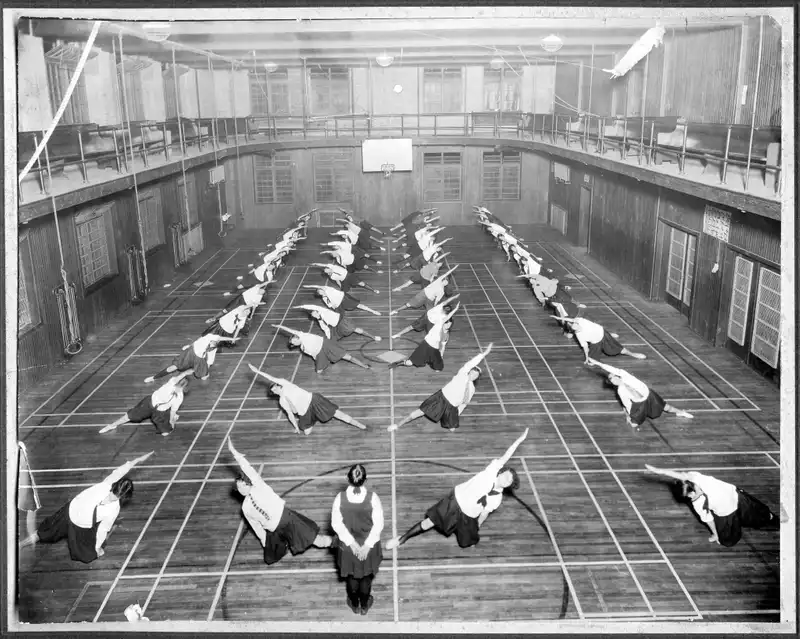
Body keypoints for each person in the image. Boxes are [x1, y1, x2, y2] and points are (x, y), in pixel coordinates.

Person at [385, 429, 528, 550]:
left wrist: (476, 526)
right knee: (429, 522)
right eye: (506, 474)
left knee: (466, 543)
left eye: (509, 479)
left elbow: (484, 514)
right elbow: (506, 456)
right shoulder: (492, 470)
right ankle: (401, 539)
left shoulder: (497, 499)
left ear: (510, 485)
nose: (506, 478)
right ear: (501, 472)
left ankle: (463, 531)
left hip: (468, 515)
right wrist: (519, 441)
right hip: (455, 501)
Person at [19, 452, 153, 562]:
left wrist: (137, 460)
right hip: (75, 519)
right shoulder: (113, 503)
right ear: (123, 494)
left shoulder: (108, 487)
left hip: (73, 515)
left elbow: (120, 471)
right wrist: (98, 548)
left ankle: (21, 545)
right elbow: (102, 530)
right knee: (89, 553)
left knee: (44, 533)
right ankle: (21, 544)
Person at [228, 439, 333, 564]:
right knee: (269, 558)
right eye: (238, 488)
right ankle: (285, 545)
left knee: (318, 541)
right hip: (274, 531)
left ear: (247, 482)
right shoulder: (245, 508)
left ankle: (341, 543)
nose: (239, 490)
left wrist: (235, 454)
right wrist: (264, 542)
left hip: (287, 519)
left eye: (241, 486)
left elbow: (248, 469)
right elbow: (256, 527)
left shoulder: (259, 486)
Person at [644, 464, 780, 547]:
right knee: (727, 541)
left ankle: (776, 520)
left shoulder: (699, 479)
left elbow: (682, 475)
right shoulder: (698, 503)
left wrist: (660, 471)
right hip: (726, 514)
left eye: (692, 493)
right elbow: (708, 519)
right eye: (690, 497)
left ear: (693, 486)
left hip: (738, 498)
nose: (692, 497)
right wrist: (716, 534)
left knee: (763, 516)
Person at [389, 345, 492, 433]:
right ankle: (397, 425)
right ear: (469, 372)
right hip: (441, 398)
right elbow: (470, 363)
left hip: (452, 407)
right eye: (473, 373)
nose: (473, 376)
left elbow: (464, 403)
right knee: (419, 412)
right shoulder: (462, 374)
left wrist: (457, 413)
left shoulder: (472, 389)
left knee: (452, 429)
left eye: (476, 375)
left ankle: (445, 417)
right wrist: (483, 354)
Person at [248, 364, 367, 434]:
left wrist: (257, 371)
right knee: (305, 431)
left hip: (314, 400)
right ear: (273, 393)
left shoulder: (286, 384)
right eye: (273, 390)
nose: (275, 388)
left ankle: (359, 424)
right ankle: (312, 420)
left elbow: (271, 377)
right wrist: (295, 427)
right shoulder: (282, 401)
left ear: (278, 385)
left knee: (336, 414)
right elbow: (292, 413)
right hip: (305, 412)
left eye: (275, 386)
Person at [331, 464, 384, 615]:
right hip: (369, 545)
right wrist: (366, 546)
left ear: (348, 479)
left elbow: (336, 524)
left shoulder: (339, 499)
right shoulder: (373, 498)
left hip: (348, 548)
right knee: (366, 578)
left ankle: (354, 604)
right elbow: (378, 524)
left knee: (352, 577)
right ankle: (365, 606)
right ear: (365, 479)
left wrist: (352, 543)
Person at [586, 358, 693, 427]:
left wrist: (599, 364)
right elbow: (627, 404)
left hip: (649, 395)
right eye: (612, 379)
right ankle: (634, 417)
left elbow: (613, 369)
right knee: (634, 425)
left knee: (666, 407)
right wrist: (630, 415)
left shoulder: (625, 375)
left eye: (613, 376)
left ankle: (680, 412)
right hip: (639, 403)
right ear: (612, 382)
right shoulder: (621, 390)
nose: (614, 377)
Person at [99, 370, 193, 435]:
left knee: (166, 433)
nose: (178, 387)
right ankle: (111, 425)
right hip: (148, 404)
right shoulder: (171, 383)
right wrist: (185, 373)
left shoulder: (179, 397)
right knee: (128, 417)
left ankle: (170, 423)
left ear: (184, 388)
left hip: (160, 413)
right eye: (178, 385)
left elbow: (172, 411)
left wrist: (171, 422)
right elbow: (178, 377)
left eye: (181, 386)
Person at [273, 324, 372, 373]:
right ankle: (328, 361)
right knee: (318, 372)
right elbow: (313, 354)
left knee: (347, 357)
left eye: (295, 339)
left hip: (326, 344)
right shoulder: (303, 348)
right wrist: (318, 359)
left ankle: (364, 365)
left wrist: (280, 326)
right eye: (294, 342)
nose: (296, 340)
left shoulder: (302, 335)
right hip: (320, 353)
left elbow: (291, 330)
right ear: (295, 344)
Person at [388, 304, 459, 371]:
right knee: (410, 363)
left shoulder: (446, 335)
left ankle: (433, 362)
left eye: (449, 325)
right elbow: (447, 317)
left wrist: (441, 355)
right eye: (447, 324)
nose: (447, 326)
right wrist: (455, 309)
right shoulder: (439, 323)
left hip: (434, 349)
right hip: (425, 345)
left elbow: (443, 346)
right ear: (444, 323)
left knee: (439, 366)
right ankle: (397, 363)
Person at [144, 332, 239, 383]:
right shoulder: (209, 337)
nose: (214, 343)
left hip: (199, 359)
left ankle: (186, 373)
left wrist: (206, 370)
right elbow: (197, 342)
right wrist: (188, 346)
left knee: (204, 378)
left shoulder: (213, 348)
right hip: (190, 353)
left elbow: (210, 360)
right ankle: (154, 377)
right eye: (214, 342)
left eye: (215, 344)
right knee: (172, 368)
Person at [557, 316, 647, 362]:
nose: (577, 325)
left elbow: (573, 319)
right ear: (574, 330)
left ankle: (632, 354)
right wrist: (586, 358)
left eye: (575, 323)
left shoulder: (582, 321)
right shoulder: (579, 336)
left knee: (614, 351)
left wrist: (559, 318)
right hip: (596, 342)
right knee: (592, 361)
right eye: (575, 327)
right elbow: (585, 348)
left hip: (602, 333)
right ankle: (609, 337)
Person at [389, 266, 457, 315]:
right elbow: (447, 273)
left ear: (446, 284)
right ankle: (396, 310)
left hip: (430, 300)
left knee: (430, 312)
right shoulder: (438, 281)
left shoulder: (442, 291)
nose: (445, 281)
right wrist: (454, 268)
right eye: (445, 280)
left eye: (446, 282)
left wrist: (433, 307)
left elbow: (437, 300)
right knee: (409, 304)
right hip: (423, 294)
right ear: (443, 280)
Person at [294, 305, 382, 342]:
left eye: (315, 312)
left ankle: (373, 337)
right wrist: (328, 338)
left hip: (342, 320)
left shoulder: (323, 311)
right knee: (335, 338)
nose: (315, 314)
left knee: (356, 330)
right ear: (314, 317)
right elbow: (326, 330)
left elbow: (313, 306)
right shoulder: (320, 322)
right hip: (338, 326)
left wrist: (302, 306)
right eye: (314, 315)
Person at [391, 294, 459, 340]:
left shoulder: (445, 317)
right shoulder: (440, 306)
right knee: (411, 327)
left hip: (431, 324)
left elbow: (450, 315)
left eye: (444, 311)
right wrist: (454, 297)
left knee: (432, 336)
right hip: (425, 317)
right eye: (443, 309)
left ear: (446, 313)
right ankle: (398, 334)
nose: (442, 311)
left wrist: (456, 309)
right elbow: (447, 301)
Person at [303, 284, 382, 316]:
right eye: (320, 292)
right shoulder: (324, 298)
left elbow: (320, 286)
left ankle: (373, 311)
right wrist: (333, 306)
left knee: (359, 305)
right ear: (320, 294)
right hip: (341, 304)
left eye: (321, 290)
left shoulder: (328, 289)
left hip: (345, 297)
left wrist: (309, 286)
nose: (322, 291)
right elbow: (330, 306)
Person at [311, 262, 379, 295]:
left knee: (361, 284)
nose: (328, 270)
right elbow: (338, 281)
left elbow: (324, 265)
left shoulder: (333, 267)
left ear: (329, 268)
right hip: (345, 281)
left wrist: (316, 264)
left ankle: (373, 290)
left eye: (327, 269)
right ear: (327, 273)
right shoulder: (332, 276)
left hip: (349, 276)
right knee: (344, 292)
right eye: (326, 271)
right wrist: (340, 286)